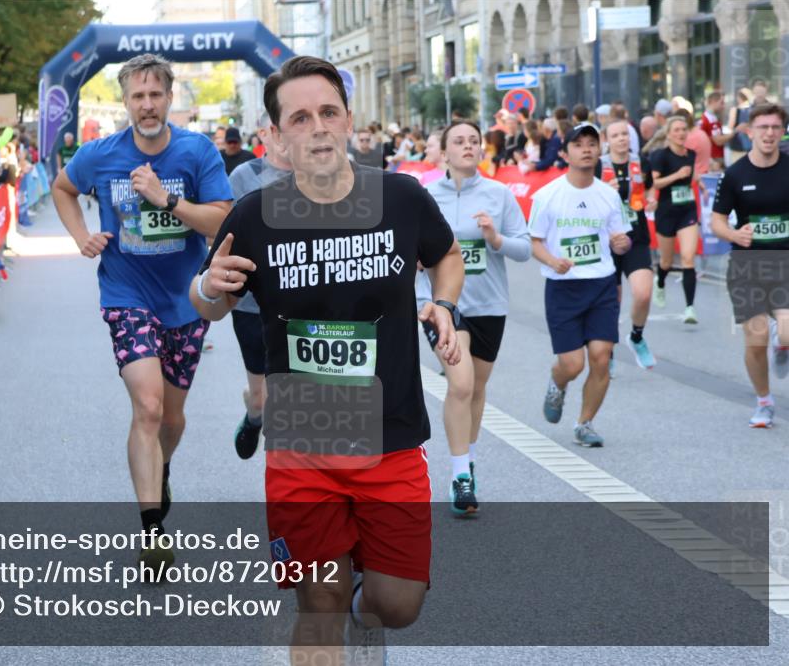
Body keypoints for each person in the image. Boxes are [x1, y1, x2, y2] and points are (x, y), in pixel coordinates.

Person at [189, 55, 463, 664]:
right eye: (300, 117)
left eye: (328, 112)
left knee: (398, 605)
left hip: (389, 438)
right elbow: (208, 302)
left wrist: (444, 304)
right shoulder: (256, 215)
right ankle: (338, 600)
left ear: (349, 122)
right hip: (301, 443)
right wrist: (210, 286)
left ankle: (365, 602)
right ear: (278, 135)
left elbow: (446, 255)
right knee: (321, 597)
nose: (317, 127)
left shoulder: (399, 197)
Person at [50, 53, 233, 569]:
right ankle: (152, 530)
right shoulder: (101, 155)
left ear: (170, 99)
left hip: (186, 300)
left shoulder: (198, 154)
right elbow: (64, 188)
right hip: (126, 295)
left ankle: (160, 467)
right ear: (126, 102)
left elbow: (219, 221)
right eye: (137, 96)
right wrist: (83, 237)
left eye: (156, 95)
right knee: (148, 406)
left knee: (172, 419)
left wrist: (165, 200)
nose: (147, 105)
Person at [415, 119, 530, 515]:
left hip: (489, 306)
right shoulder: (426, 196)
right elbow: (411, 260)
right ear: (443, 151)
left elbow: (525, 250)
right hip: (443, 306)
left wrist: (496, 239)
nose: (468, 146)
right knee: (460, 383)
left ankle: (469, 460)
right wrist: (420, 301)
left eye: (474, 141)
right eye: (458, 141)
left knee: (476, 390)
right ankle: (460, 476)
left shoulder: (499, 194)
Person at [530, 123, 632, 447]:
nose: (586, 149)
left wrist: (621, 245)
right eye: (579, 144)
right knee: (573, 364)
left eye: (592, 143)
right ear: (564, 153)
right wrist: (552, 261)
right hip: (563, 287)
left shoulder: (608, 195)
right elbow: (535, 242)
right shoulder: (548, 196)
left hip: (601, 283)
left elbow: (621, 241)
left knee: (601, 356)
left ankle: (585, 423)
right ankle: (557, 383)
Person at [710, 103, 789, 428]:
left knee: (785, 328)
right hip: (746, 264)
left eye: (775, 127)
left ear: (782, 131)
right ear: (751, 131)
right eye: (763, 127)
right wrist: (733, 233)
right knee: (755, 337)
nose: (769, 133)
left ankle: (783, 342)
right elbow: (716, 221)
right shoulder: (735, 174)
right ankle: (764, 401)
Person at [227, 112, 292, 460]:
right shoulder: (244, 175)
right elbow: (235, 233)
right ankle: (253, 417)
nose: (281, 136)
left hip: (301, 302)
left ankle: (289, 481)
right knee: (262, 399)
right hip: (252, 305)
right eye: (273, 130)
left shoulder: (316, 173)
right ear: (263, 134)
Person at [601, 118, 658, 370]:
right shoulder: (597, 166)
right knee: (613, 301)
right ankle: (609, 350)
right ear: (607, 140)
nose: (622, 139)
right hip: (608, 240)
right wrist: (602, 189)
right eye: (616, 135)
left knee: (643, 294)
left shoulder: (641, 163)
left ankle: (636, 337)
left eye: (625, 134)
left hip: (636, 236)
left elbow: (649, 190)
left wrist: (651, 199)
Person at [649, 115, 702, 324]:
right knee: (667, 261)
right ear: (669, 134)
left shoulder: (691, 154)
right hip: (666, 211)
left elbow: (692, 174)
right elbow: (656, 183)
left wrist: (699, 181)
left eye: (684, 129)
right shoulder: (660, 155)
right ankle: (660, 281)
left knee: (688, 258)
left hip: (687, 210)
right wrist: (677, 175)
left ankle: (690, 308)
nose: (681, 133)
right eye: (677, 130)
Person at [701, 91, 731, 170]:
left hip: (715, 158)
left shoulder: (712, 117)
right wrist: (735, 132)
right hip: (714, 160)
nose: (723, 106)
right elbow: (718, 141)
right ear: (713, 102)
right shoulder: (709, 119)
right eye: (721, 103)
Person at [726, 88, 753, 165]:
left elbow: (730, 126)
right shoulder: (753, 110)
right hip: (751, 145)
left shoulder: (735, 110)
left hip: (737, 144)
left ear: (739, 98)